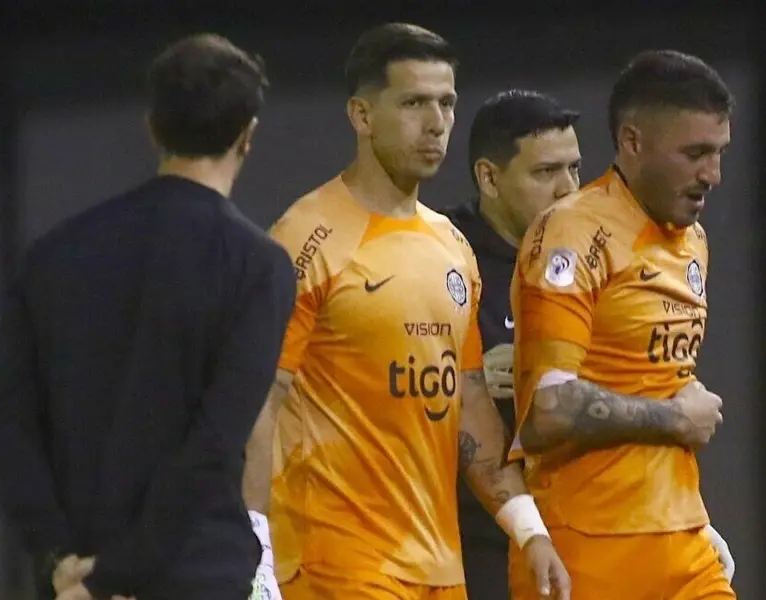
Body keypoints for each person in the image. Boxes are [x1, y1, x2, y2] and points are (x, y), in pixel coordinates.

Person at [242, 23, 571, 600]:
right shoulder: (306, 238)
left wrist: (530, 530)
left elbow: (469, 402)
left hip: (437, 570)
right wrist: (256, 554)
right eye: (414, 103)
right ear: (361, 115)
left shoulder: (452, 247)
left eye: (446, 102)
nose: (436, 122)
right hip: (335, 564)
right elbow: (260, 402)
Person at [0, 34, 294, 600]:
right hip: (195, 574)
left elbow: (8, 428)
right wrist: (115, 573)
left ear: (153, 126)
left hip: (71, 581)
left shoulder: (52, 255)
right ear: (247, 135)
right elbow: (215, 441)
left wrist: (60, 559)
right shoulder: (258, 266)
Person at [507, 49, 736, 600]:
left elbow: (652, 378)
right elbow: (547, 409)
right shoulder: (573, 233)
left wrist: (696, 520)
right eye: (695, 154)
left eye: (719, 153)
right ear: (633, 141)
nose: (712, 175)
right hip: (588, 550)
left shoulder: (693, 241)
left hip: (683, 547)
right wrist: (676, 420)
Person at [440, 89, 582, 600]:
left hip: (582, 522)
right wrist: (469, 375)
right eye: (546, 172)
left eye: (574, 169)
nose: (568, 189)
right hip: (474, 535)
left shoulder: (593, 252)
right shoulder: (440, 250)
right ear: (489, 178)